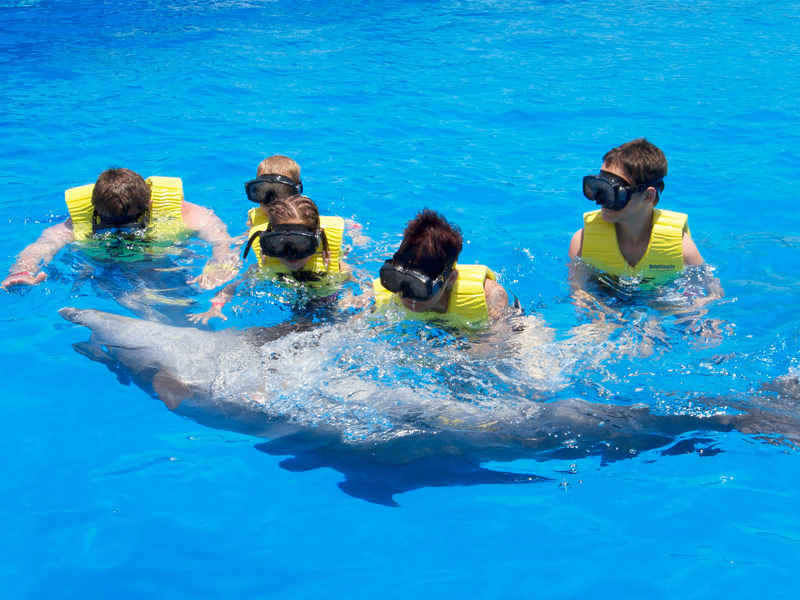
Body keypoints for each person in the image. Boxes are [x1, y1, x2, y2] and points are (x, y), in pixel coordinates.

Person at [2, 167, 239, 291]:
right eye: (109, 223)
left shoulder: (185, 214)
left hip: (160, 263)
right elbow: (41, 247)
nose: (119, 231)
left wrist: (218, 269)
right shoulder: (78, 222)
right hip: (104, 269)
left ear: (150, 203)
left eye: (130, 223)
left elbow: (222, 240)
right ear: (94, 208)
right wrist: (22, 271)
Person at [190, 193, 351, 324]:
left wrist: (356, 298)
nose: (290, 254)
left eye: (301, 243)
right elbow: (231, 288)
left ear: (316, 241)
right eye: (280, 243)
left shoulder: (337, 267)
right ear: (268, 241)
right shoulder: (261, 268)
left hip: (328, 305)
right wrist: (215, 308)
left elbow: (356, 284)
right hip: (287, 306)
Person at [568, 138, 703, 285]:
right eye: (599, 188)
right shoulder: (581, 242)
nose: (600, 201)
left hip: (662, 293)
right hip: (604, 293)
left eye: (612, 192)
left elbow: (709, 292)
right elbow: (577, 292)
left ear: (648, 196)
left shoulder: (683, 249)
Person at [371, 209, 510, 326]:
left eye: (418, 288)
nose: (405, 295)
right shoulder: (382, 297)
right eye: (397, 280)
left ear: (451, 279)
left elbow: (502, 343)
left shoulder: (490, 297)